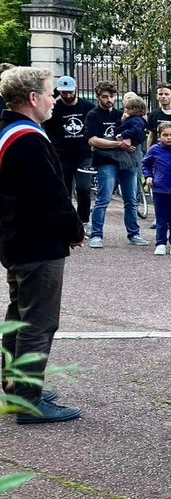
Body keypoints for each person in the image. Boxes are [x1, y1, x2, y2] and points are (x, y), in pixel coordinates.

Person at [0, 66, 86, 424]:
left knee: (19, 315)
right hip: (36, 242)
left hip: (17, 238)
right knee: (38, 321)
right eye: (50, 93)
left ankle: (15, 385)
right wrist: (74, 229)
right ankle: (28, 399)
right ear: (33, 98)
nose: (54, 99)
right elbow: (50, 194)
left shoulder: (8, 130)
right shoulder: (29, 139)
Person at [86, 81, 146, 248]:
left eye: (111, 96)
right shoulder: (93, 115)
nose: (108, 99)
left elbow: (139, 133)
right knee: (103, 198)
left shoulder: (123, 114)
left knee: (131, 200)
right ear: (98, 97)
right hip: (106, 161)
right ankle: (96, 234)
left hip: (127, 161)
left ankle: (134, 233)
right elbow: (93, 140)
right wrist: (117, 144)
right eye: (104, 96)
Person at [44, 76, 93, 229]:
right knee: (63, 189)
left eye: (70, 92)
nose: (67, 95)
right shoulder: (54, 108)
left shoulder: (87, 107)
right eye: (63, 92)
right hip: (62, 155)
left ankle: (83, 220)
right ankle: (66, 221)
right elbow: (48, 131)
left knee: (83, 188)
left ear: (75, 89)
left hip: (83, 154)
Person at [142, 123, 171, 255]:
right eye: (165, 135)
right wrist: (148, 176)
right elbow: (146, 164)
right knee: (161, 218)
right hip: (159, 189)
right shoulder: (155, 149)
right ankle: (160, 243)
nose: (169, 138)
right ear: (159, 136)